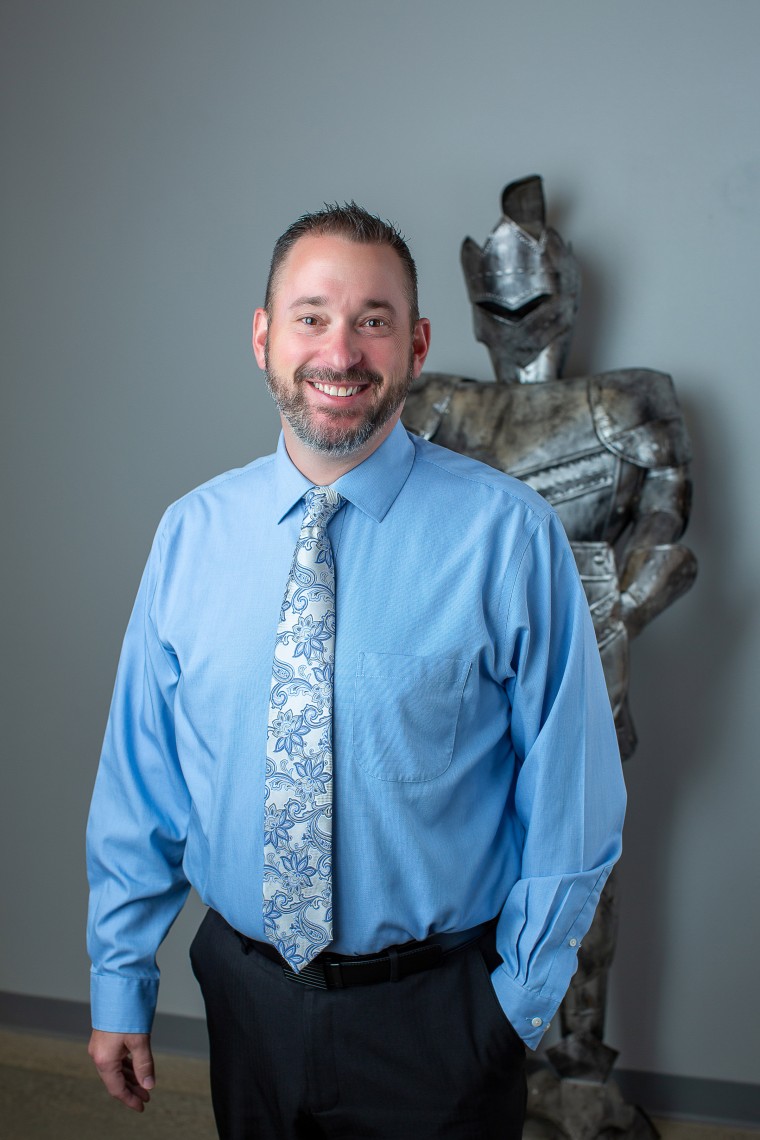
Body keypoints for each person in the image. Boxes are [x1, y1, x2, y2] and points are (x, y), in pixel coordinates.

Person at [87, 202, 626, 1139]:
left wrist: (515, 1009)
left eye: (372, 321)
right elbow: (144, 782)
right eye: (312, 317)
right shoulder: (192, 535)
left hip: (439, 1020)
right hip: (245, 1002)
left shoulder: (508, 537)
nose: (340, 352)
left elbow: (571, 797)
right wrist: (118, 977)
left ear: (416, 344)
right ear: (264, 337)